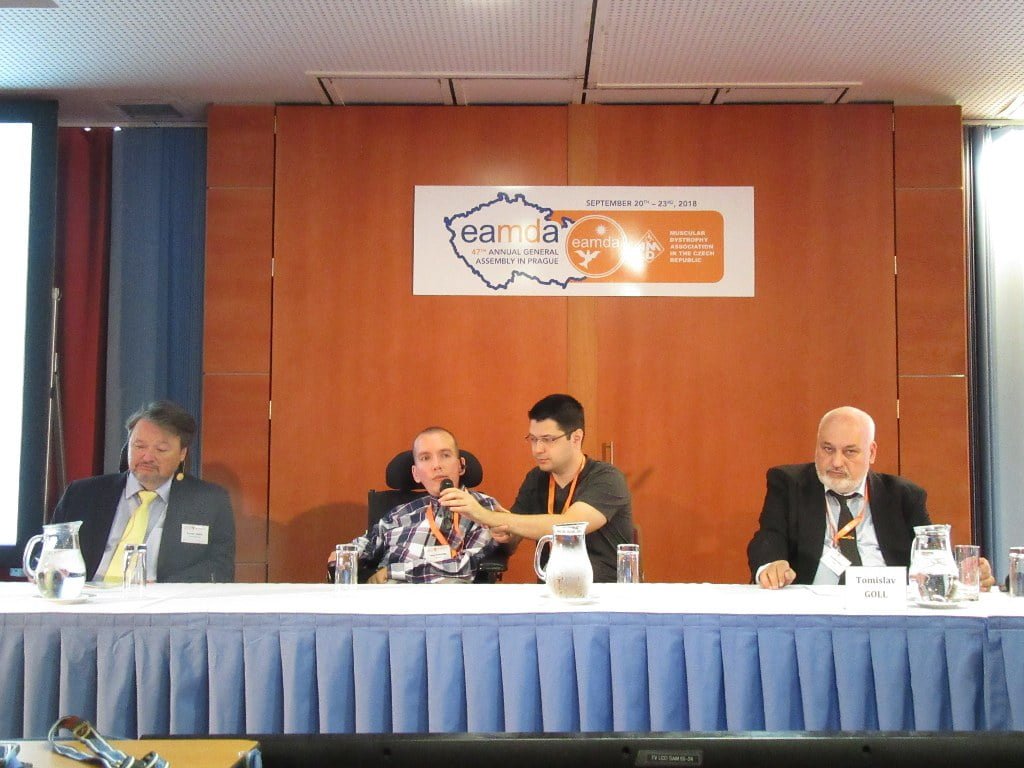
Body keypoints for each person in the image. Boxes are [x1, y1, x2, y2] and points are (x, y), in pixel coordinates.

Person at [747, 405, 995, 590]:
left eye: (850, 452)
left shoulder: (903, 495)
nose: (836, 462)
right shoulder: (789, 483)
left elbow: (931, 554)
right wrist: (770, 564)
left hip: (886, 610)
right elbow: (769, 536)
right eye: (827, 449)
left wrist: (962, 573)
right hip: (815, 607)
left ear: (872, 452)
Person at [444, 394, 633, 582]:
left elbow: (570, 526)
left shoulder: (607, 478)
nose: (537, 449)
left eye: (548, 439)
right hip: (552, 589)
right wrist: (505, 533)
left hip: (604, 591)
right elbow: (513, 537)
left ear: (576, 438)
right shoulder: (535, 478)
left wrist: (485, 514)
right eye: (533, 439)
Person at [50, 400, 235, 583]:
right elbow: (50, 553)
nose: (147, 457)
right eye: (139, 446)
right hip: (88, 595)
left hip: (161, 598)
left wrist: (164, 588)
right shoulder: (82, 494)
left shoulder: (208, 502)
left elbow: (220, 568)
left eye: (161, 449)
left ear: (182, 454)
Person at [332, 427, 498, 583]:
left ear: (461, 465)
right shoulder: (399, 514)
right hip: (384, 592)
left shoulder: (483, 508)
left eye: (445, 455)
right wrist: (344, 555)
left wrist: (392, 572)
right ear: (416, 473)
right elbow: (367, 544)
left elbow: (467, 566)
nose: (437, 465)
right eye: (425, 458)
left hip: (442, 595)